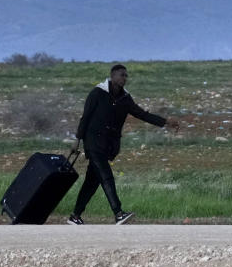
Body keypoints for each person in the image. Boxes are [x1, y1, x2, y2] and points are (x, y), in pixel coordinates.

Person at [68, 64, 178, 225]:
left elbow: (142, 114)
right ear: (112, 76)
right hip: (93, 141)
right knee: (106, 176)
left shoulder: (125, 98)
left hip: (108, 145)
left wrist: (166, 122)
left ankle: (75, 216)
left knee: (92, 182)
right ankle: (118, 213)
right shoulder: (97, 93)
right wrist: (77, 140)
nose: (124, 78)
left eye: (126, 76)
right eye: (121, 75)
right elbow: (85, 117)